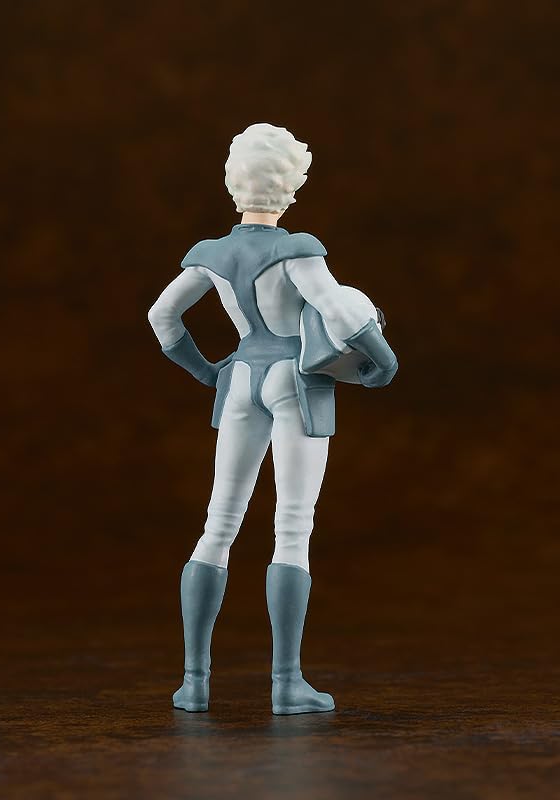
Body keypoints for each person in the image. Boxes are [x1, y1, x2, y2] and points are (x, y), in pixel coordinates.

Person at [148, 123, 398, 715]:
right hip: (294, 378)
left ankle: (194, 682)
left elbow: (162, 316)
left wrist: (208, 372)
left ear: (233, 183)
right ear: (291, 186)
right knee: (292, 526)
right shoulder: (297, 250)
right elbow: (339, 310)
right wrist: (385, 363)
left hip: (239, 377)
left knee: (218, 524)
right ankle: (286, 683)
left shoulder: (209, 256)